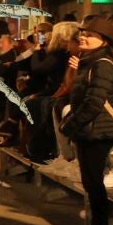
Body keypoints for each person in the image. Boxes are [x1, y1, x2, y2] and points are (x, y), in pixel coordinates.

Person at [61, 20, 113, 225]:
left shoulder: (103, 65)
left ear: (104, 41)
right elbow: (75, 93)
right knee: (91, 183)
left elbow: (94, 103)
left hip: (97, 131)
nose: (83, 37)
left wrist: (71, 125)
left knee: (95, 184)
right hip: (88, 130)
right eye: (83, 33)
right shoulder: (90, 63)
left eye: (90, 35)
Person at [24, 22, 78, 160]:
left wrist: (37, 50)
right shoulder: (60, 53)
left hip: (63, 94)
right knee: (27, 100)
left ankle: (41, 149)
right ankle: (31, 145)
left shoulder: (60, 54)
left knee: (36, 103)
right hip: (56, 90)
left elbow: (39, 69)